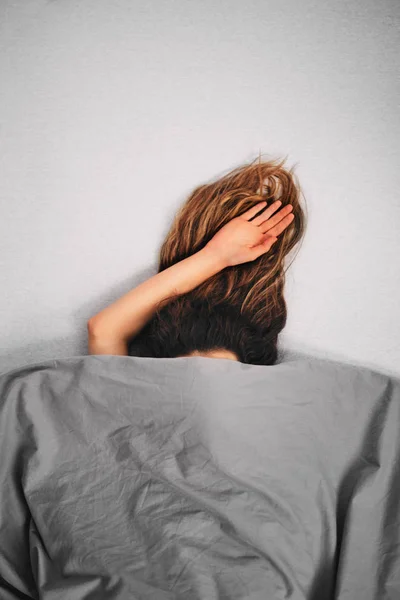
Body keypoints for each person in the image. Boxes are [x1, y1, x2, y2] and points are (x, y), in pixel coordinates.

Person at [87, 156, 307, 364]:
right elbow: (104, 331)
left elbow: (106, 330)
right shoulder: (131, 396)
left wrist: (215, 256)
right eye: (185, 374)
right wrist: (215, 256)